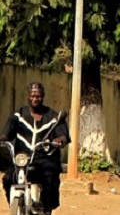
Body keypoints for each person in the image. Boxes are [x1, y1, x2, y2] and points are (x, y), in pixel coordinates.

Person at [1, 82, 70, 215]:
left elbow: (63, 134)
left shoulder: (53, 117)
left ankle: (46, 209)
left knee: (50, 177)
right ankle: (15, 205)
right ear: (27, 96)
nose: (35, 99)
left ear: (43, 96)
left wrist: (60, 139)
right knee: (8, 178)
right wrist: (3, 138)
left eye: (38, 96)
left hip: (45, 158)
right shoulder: (18, 115)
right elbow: (7, 132)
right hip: (22, 159)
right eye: (32, 96)